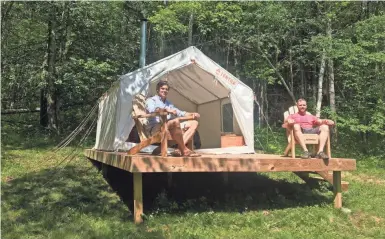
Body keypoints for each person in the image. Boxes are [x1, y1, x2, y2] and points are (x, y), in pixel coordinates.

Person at [145, 80, 200, 157]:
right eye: (162, 88)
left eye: (166, 89)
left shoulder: (168, 103)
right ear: (157, 90)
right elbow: (152, 110)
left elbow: (180, 112)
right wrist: (166, 110)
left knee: (194, 123)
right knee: (175, 121)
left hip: (169, 126)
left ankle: (179, 149)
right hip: (156, 127)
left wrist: (192, 113)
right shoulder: (151, 100)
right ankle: (184, 150)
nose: (165, 90)